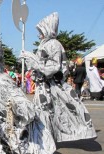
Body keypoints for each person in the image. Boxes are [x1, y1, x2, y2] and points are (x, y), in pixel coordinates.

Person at [21, 12, 97, 143]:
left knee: (49, 111)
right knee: (46, 112)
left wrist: (34, 62)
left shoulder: (53, 44)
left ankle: (45, 140)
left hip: (51, 85)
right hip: (44, 85)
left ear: (48, 30)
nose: (39, 35)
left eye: (41, 31)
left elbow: (54, 66)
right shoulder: (46, 44)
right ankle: (45, 138)